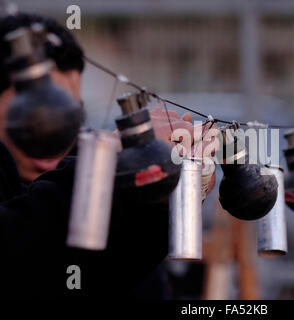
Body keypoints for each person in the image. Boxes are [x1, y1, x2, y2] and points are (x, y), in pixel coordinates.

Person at [0, 12, 216, 298]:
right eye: (36, 114)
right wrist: (102, 165)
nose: (55, 130)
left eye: (69, 114)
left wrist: (153, 200)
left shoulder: (93, 183)